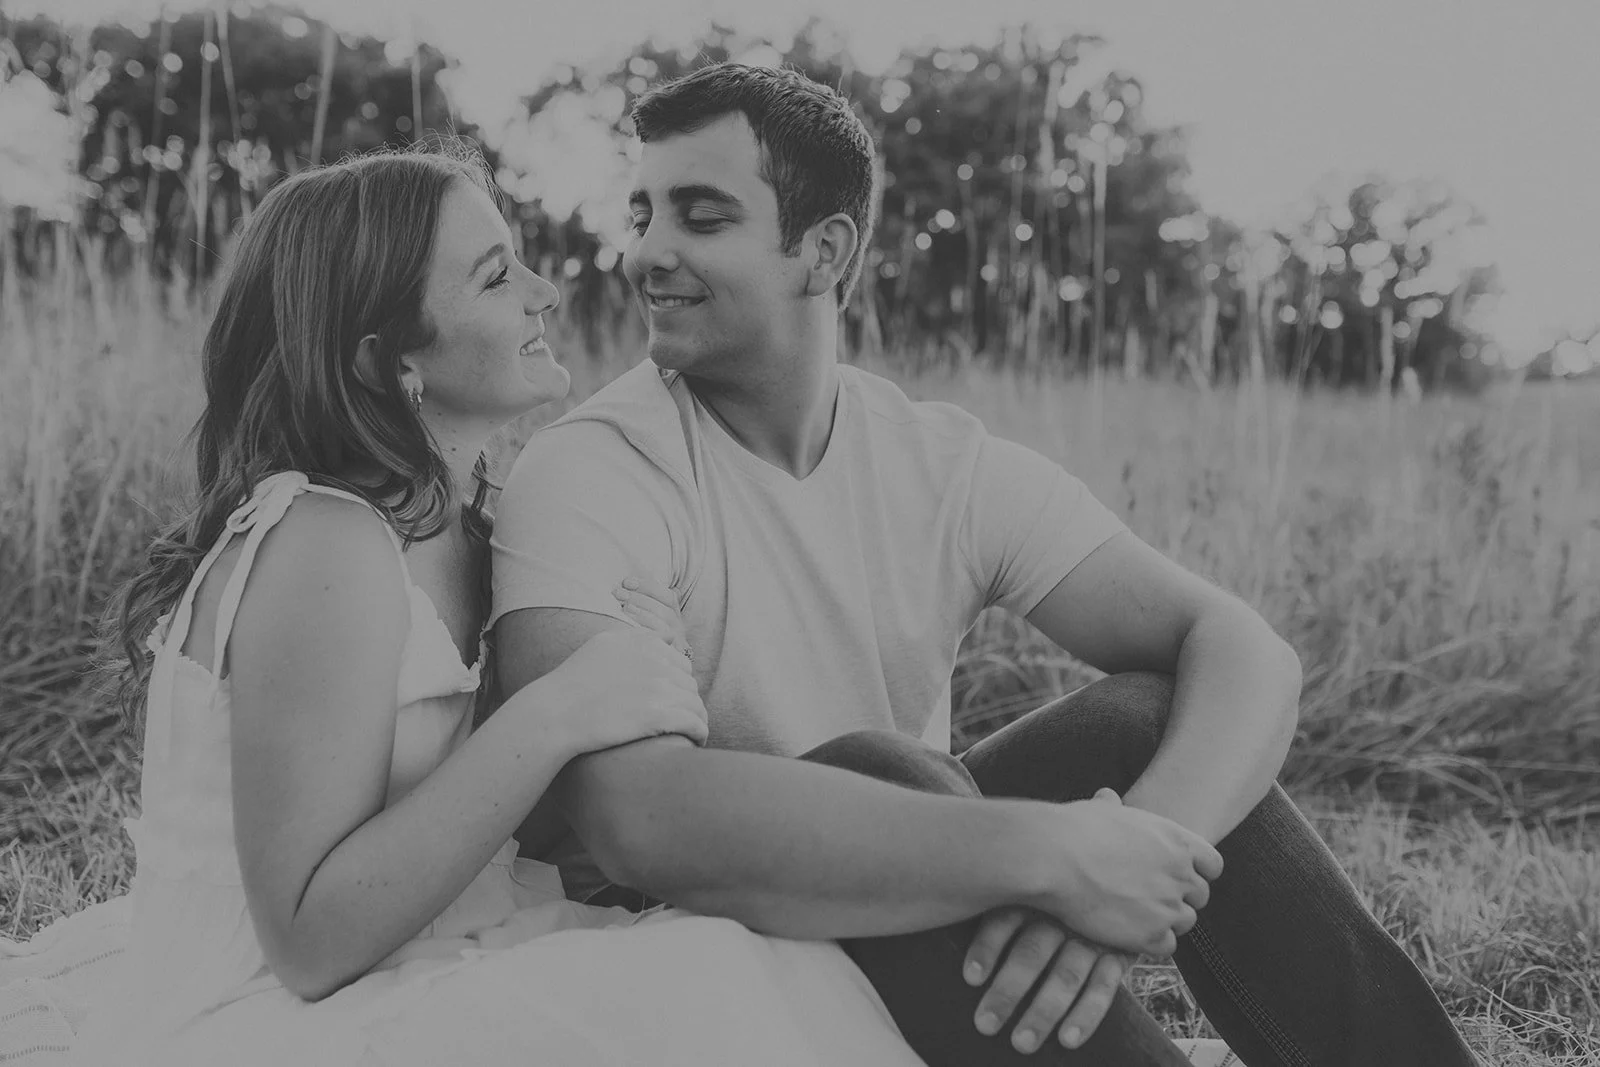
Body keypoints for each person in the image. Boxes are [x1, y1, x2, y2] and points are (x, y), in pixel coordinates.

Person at [489, 63, 1483, 1066]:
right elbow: (634, 820)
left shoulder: (935, 461)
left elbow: (1243, 647)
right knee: (881, 773)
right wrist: (1052, 855)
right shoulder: (591, 468)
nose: (647, 252)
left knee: (1134, 719)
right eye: (643, 212)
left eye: (699, 217)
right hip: (682, 946)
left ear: (822, 251)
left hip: (916, 911)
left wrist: (1134, 853)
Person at [0, 143, 947, 1067]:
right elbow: (307, 939)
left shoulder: (467, 525)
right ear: (386, 362)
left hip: (436, 944)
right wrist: (556, 712)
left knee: (759, 945)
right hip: (281, 1008)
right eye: (497, 278)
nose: (547, 290)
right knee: (710, 981)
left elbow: (480, 823)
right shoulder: (324, 545)